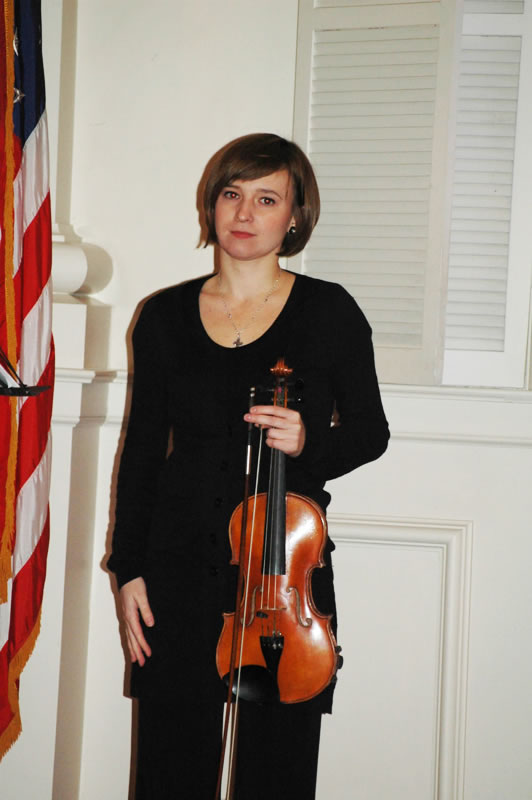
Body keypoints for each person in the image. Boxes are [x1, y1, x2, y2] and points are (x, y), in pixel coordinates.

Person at [108, 133, 389, 799]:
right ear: (211, 204)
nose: (244, 212)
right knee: (168, 776)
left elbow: (370, 432)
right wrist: (128, 568)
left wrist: (308, 443)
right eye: (232, 194)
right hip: (177, 570)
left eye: (266, 199)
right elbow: (142, 451)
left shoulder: (329, 311)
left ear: (294, 216)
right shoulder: (164, 316)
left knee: (276, 777)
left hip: (281, 577)